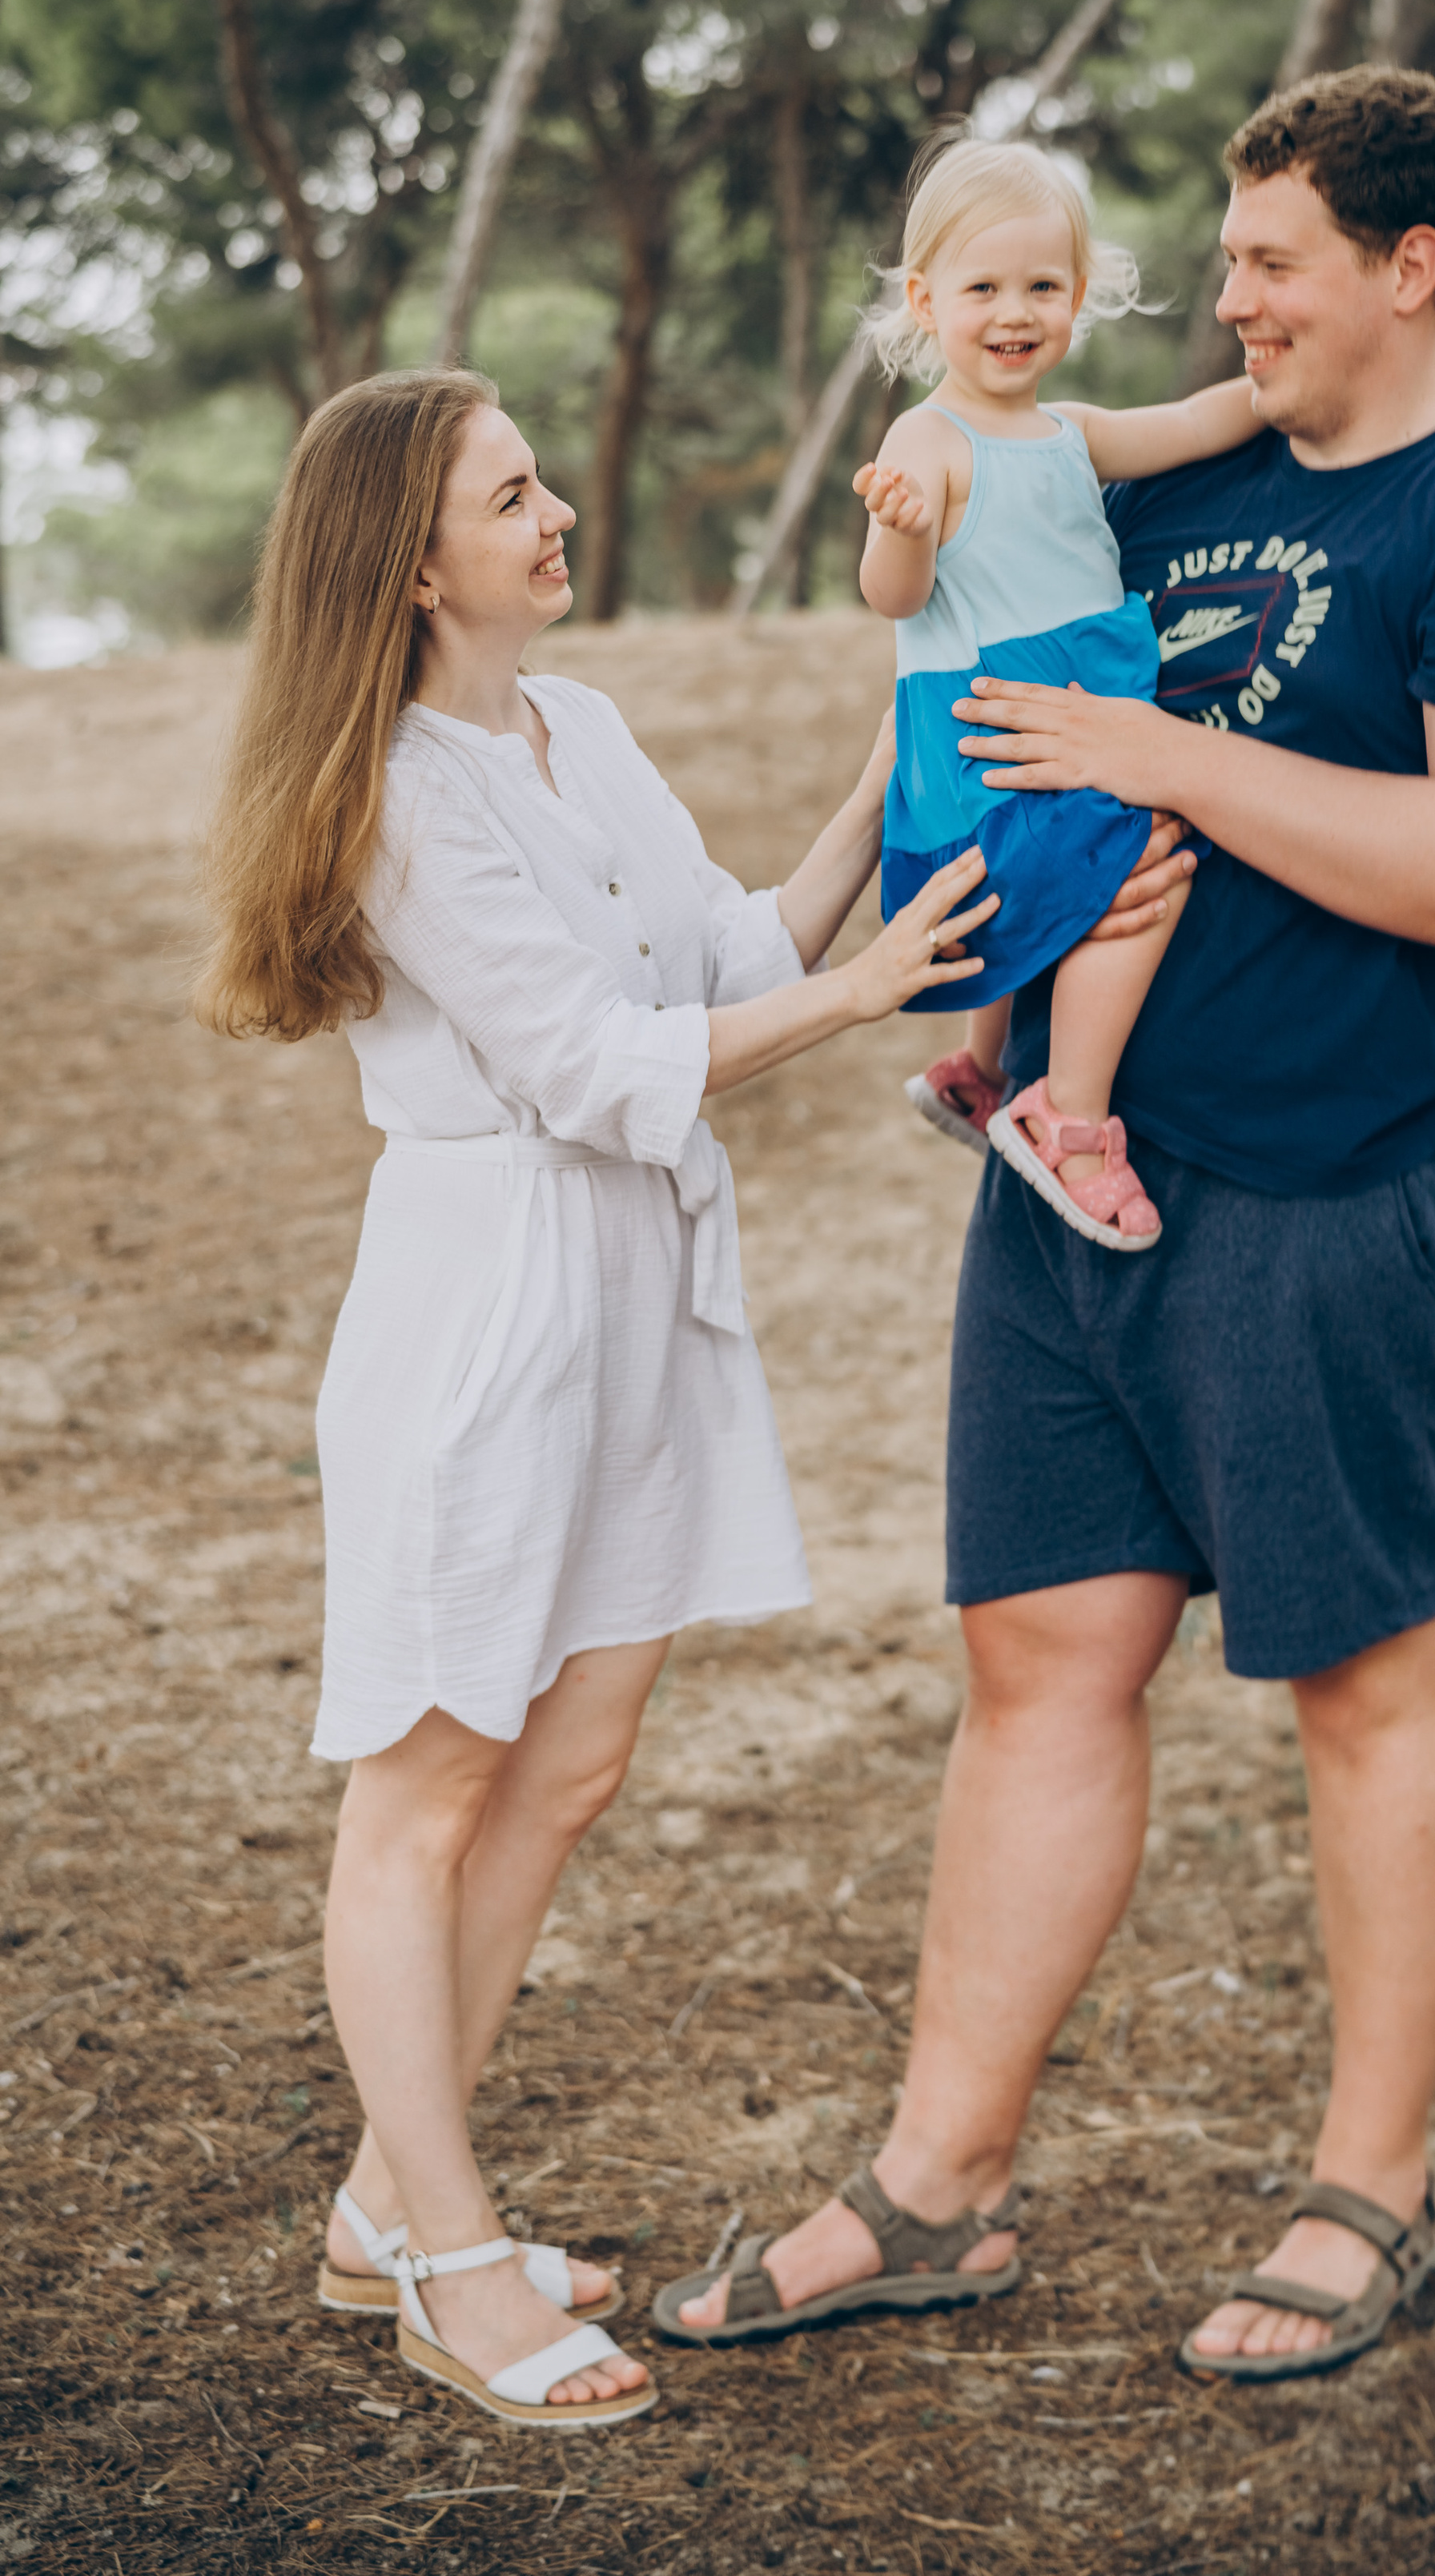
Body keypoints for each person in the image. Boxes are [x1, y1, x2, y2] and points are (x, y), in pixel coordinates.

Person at [653, 65, 1435, 2383]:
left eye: (1277, 263)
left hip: (1350, 1161)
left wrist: (1174, 764)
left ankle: (1369, 2197)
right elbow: (987, 674)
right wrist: (823, 917)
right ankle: (938, 2185)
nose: (1235, 301)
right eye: (1225, 263)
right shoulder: (1191, 475)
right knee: (1039, 1661)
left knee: (1363, 1670)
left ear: (1410, 267)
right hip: (1077, 1163)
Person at [195, 367, 1000, 2429]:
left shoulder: (585, 731)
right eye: (514, 492)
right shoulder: (389, 789)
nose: (557, 515)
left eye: (542, 482)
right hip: (490, 1303)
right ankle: (448, 2266)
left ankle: (390, 2194)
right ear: (411, 559)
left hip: (639, 1288)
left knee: (570, 1764)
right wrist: (867, 989)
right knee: (430, 1786)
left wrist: (892, 780)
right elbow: (580, 1060)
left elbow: (719, 959)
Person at [859, 133, 1256, 1249]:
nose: (1014, 311)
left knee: (1070, 845)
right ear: (928, 302)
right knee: (1147, 851)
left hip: (1052, 727)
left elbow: (1186, 428)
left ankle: (980, 1073)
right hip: (995, 742)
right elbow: (895, 597)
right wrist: (903, 529)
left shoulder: (1071, 435)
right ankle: (1067, 1114)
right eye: (983, 287)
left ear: (1080, 299)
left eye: (1042, 285)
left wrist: (1276, 395)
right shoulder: (926, 438)